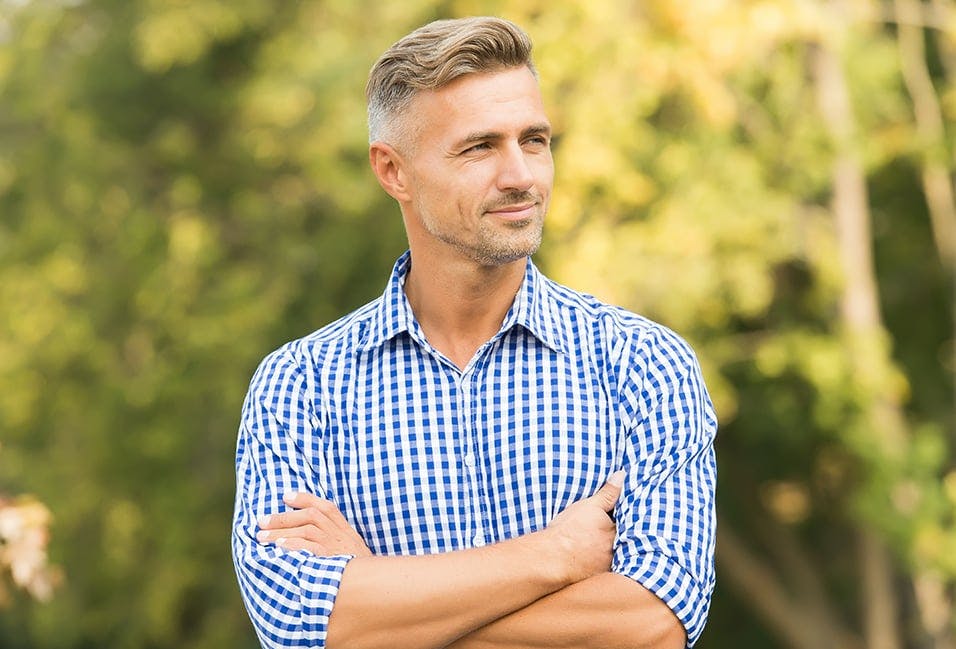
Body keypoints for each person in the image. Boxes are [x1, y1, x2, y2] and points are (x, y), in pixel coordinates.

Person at [232, 16, 717, 649]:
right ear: (393, 171)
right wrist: (557, 557)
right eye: (480, 147)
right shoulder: (299, 387)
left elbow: (653, 623)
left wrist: (380, 595)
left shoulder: (645, 365)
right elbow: (296, 623)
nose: (521, 176)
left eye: (534, 140)